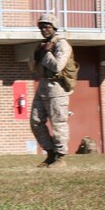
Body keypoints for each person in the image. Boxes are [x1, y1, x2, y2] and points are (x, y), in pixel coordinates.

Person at [29, 13, 74, 168]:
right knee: (35, 121)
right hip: (42, 86)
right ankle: (50, 153)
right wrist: (38, 54)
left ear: (54, 27)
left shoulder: (62, 44)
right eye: (41, 27)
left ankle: (61, 157)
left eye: (47, 27)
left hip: (57, 87)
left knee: (58, 122)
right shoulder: (41, 45)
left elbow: (57, 66)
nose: (44, 30)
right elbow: (32, 67)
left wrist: (47, 53)